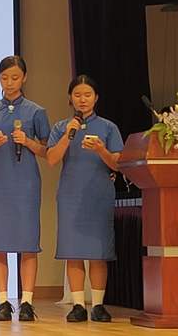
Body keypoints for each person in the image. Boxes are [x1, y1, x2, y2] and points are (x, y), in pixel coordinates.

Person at [0, 56, 50, 322]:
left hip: (26, 183)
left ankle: (27, 302)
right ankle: (3, 301)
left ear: (24, 78)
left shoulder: (36, 112)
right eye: (4, 77)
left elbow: (47, 151)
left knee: (28, 243)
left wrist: (27, 142)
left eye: (15, 77)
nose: (9, 82)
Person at [46, 75, 123, 323]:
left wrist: (101, 150)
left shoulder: (108, 127)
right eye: (77, 95)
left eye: (87, 95)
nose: (82, 99)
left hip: (99, 194)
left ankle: (98, 305)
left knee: (99, 252)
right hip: (71, 195)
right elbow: (51, 159)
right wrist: (68, 135)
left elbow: (118, 164)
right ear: (70, 98)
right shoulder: (61, 127)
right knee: (74, 251)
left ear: (96, 98)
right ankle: (78, 305)